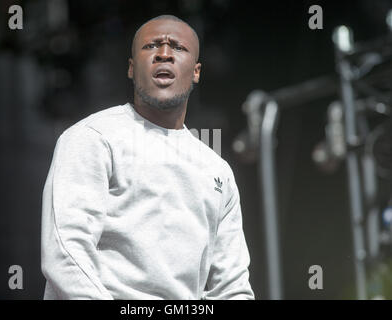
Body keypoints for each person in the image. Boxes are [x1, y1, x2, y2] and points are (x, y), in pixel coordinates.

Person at [41, 14, 254, 300]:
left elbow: (233, 286)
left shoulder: (217, 170)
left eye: (178, 48)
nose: (164, 54)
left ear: (196, 71)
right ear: (131, 68)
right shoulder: (93, 137)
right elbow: (66, 252)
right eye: (151, 46)